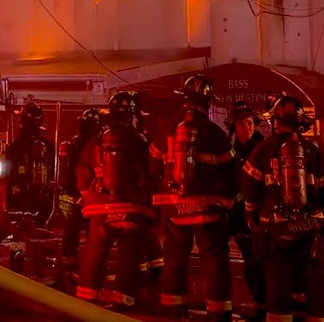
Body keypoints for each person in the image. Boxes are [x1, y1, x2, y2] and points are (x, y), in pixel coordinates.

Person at [242, 95, 324, 322]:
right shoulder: (313, 151)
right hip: (310, 232)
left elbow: (249, 190)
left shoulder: (262, 150)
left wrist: (252, 220)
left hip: (275, 234)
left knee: (278, 293)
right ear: (300, 123)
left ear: (274, 121)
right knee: (315, 294)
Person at [157, 75, 235, 322]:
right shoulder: (215, 133)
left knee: (174, 260)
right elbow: (231, 171)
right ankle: (218, 314)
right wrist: (231, 201)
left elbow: (152, 165)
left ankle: (172, 311)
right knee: (213, 260)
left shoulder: (168, 128)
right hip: (208, 209)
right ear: (208, 101)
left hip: (174, 208)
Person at [76, 91, 153, 311]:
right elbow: (149, 171)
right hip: (129, 206)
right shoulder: (138, 140)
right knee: (128, 253)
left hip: (99, 207)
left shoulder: (96, 138)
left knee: (95, 250)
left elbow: (82, 170)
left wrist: (87, 194)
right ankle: (123, 300)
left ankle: (87, 296)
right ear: (130, 113)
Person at [227, 100, 266, 321]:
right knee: (251, 261)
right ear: (235, 127)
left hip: (262, 217)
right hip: (241, 219)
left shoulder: (262, 149)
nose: (247, 128)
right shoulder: (232, 152)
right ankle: (260, 301)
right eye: (242, 124)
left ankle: (266, 303)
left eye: (250, 123)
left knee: (261, 261)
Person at [56, 108, 102, 274]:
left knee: (74, 225)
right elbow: (84, 168)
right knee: (90, 227)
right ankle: (87, 260)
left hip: (77, 190)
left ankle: (70, 257)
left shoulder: (76, 142)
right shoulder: (92, 144)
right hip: (86, 191)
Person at [6, 101, 57, 225]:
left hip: (27, 196)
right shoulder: (48, 146)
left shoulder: (14, 147)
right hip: (30, 196)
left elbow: (8, 172)